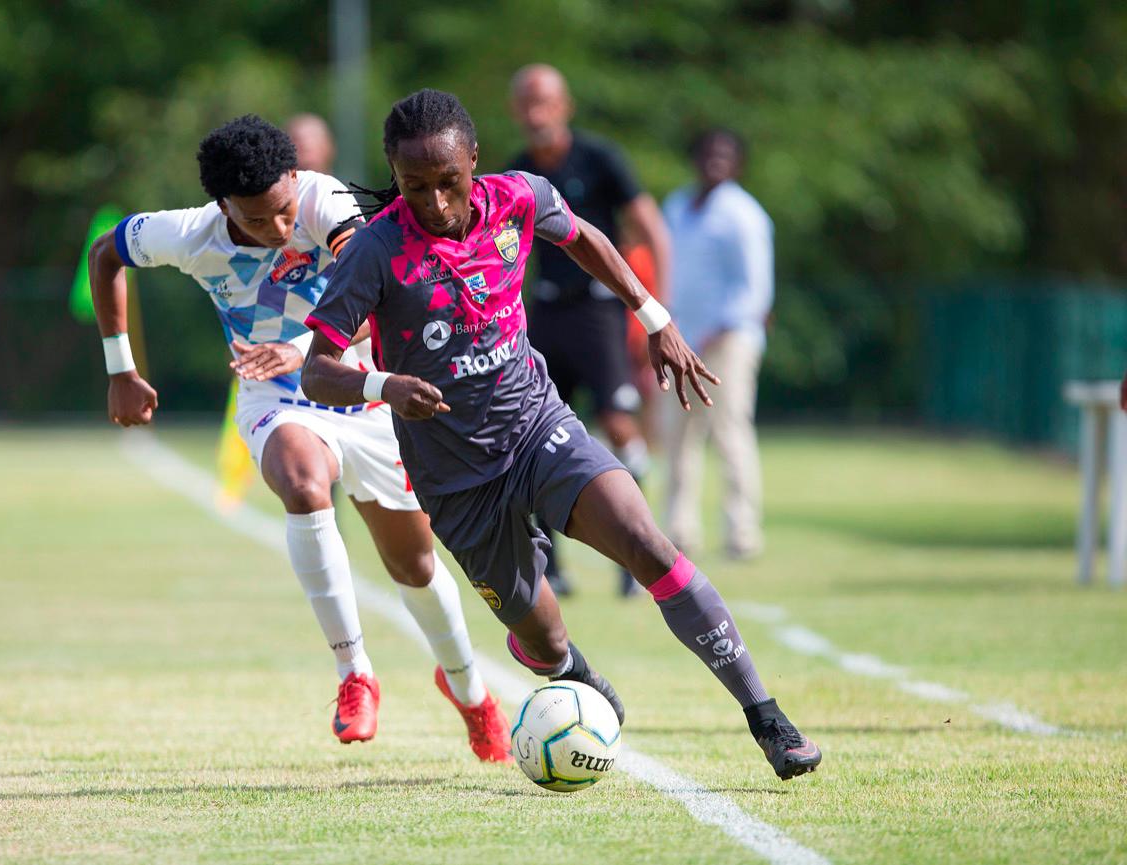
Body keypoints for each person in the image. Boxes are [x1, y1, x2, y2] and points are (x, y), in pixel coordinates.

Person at [302, 89, 822, 781]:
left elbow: (586, 239)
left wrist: (654, 315)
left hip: (537, 427)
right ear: (395, 178)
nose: (435, 201)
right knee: (541, 636)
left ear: (475, 161)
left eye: (448, 181)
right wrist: (382, 386)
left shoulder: (519, 197)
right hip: (456, 481)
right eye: (415, 186)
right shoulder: (374, 251)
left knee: (647, 543)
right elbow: (318, 371)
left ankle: (768, 718)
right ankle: (569, 669)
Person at [86, 114, 511, 762]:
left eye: (284, 210)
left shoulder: (326, 201)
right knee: (304, 484)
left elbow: (379, 299)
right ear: (223, 206)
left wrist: (303, 348)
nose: (280, 229)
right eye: (257, 221)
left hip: (365, 393)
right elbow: (106, 253)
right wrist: (121, 368)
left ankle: (470, 690)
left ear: (295, 179)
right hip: (275, 401)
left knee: (415, 566)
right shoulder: (191, 235)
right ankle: (354, 672)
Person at [506, 64, 671, 597]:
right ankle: (550, 565)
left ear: (565, 106)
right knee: (535, 430)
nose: (537, 112)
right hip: (546, 311)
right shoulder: (515, 173)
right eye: (527, 102)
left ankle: (636, 553)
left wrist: (655, 314)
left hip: (599, 312)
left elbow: (651, 231)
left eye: (546, 101)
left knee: (619, 423)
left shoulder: (600, 160)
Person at [660, 128, 773, 561]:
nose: (715, 162)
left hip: (729, 339)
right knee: (678, 435)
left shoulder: (744, 215)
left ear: (738, 163)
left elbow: (755, 290)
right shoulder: (677, 206)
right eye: (708, 153)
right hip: (679, 339)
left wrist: (716, 330)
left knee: (729, 432)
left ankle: (742, 532)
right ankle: (678, 531)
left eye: (725, 155)